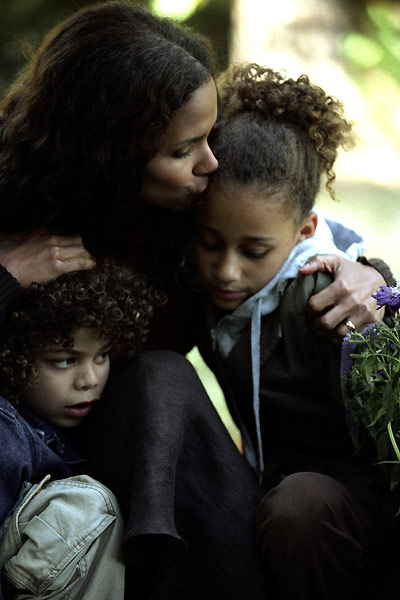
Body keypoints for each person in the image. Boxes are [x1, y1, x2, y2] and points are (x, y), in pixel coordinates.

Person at [0, 2, 394, 598]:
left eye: (210, 137)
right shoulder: (17, 204)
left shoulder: (192, 218)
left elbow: (282, 218)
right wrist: (6, 276)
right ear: (112, 149)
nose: (211, 161)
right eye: (185, 150)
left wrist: (370, 274)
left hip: (162, 465)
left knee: (160, 377)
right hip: (28, 447)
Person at [193, 63, 397, 600]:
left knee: (300, 505)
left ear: (306, 229)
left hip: (345, 508)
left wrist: (382, 286)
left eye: (254, 251)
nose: (226, 271)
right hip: (260, 483)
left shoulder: (333, 295)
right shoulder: (200, 281)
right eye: (210, 242)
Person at [0, 259, 159, 598]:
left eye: (102, 356)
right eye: (65, 360)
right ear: (13, 356)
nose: (90, 379)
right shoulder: (5, 432)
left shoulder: (84, 427)